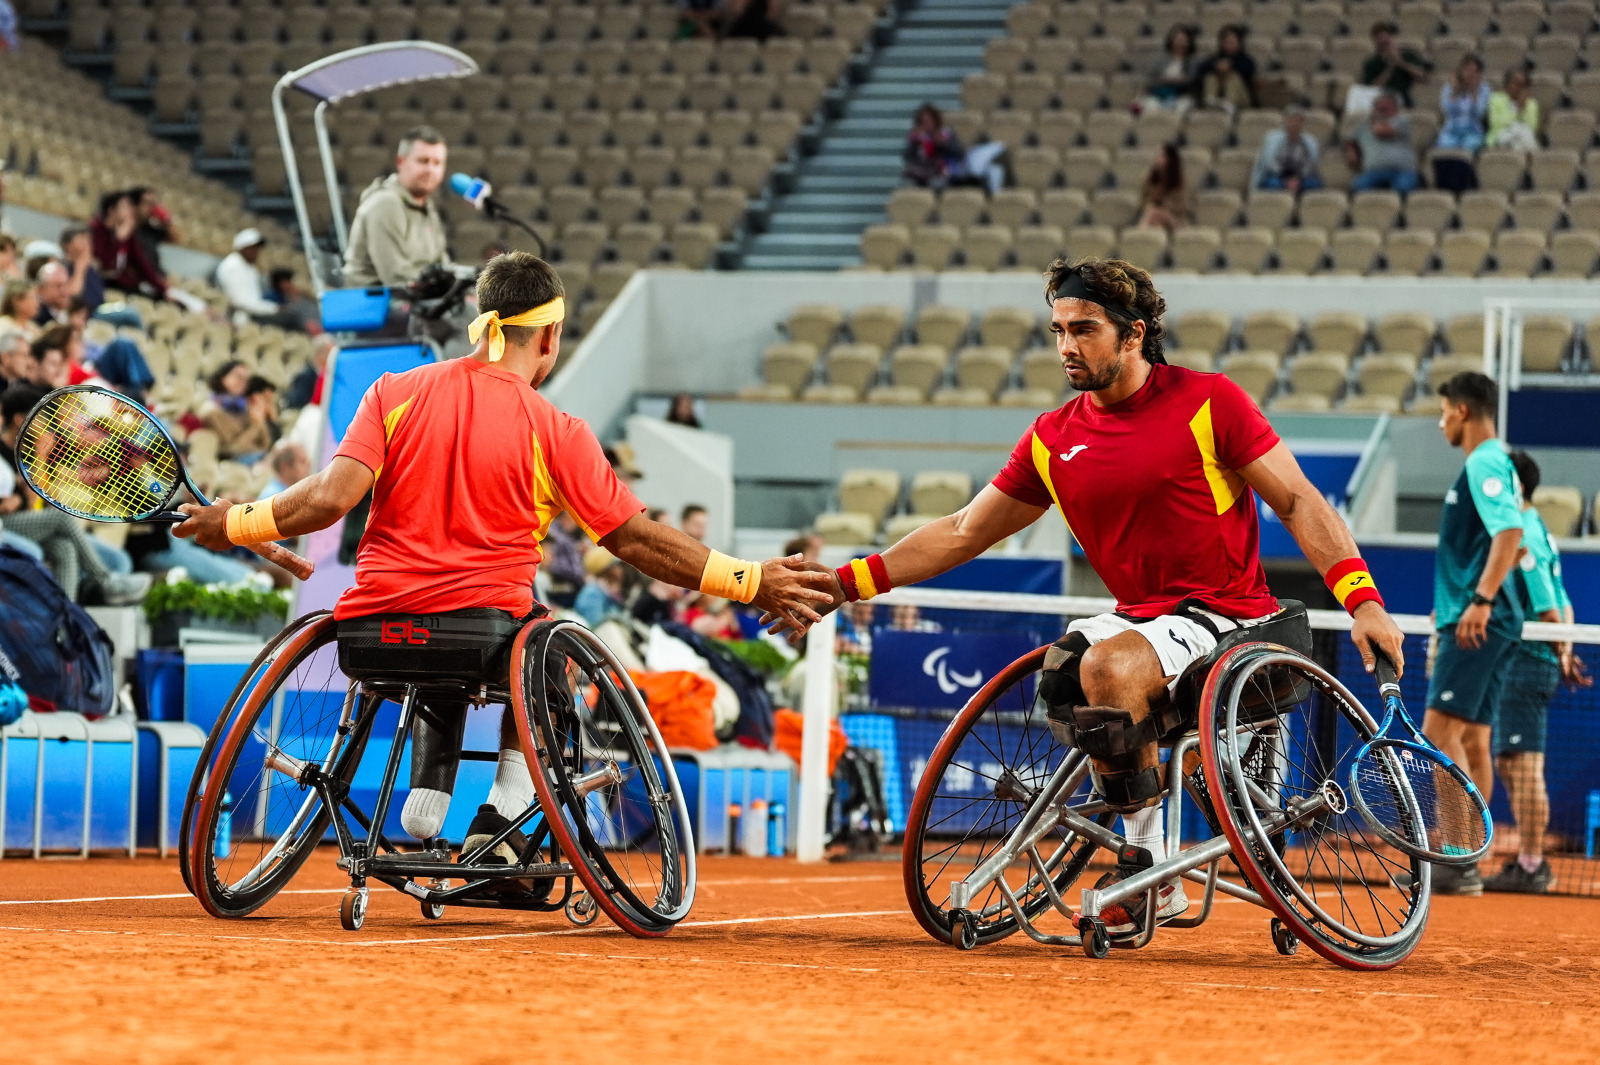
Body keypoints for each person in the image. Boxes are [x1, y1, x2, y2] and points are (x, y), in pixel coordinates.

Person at [769, 257, 1406, 936]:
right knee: (1067, 663)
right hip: (1142, 617)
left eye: (1084, 329)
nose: (1067, 346)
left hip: (1228, 617)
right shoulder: (1053, 437)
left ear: (1133, 335)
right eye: (1057, 330)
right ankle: (1149, 853)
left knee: (1108, 665)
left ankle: (1147, 862)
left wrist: (1363, 598)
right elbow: (962, 530)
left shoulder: (1210, 402)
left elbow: (1300, 499)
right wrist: (846, 582)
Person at [172, 250, 831, 866]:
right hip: (483, 636)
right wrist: (748, 580)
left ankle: (425, 804)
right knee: (543, 646)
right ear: (550, 337)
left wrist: (234, 521)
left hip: (370, 636)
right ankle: (505, 814)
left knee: (437, 646)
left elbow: (326, 498)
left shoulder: (392, 392)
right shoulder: (557, 429)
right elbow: (634, 539)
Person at [1427, 372, 1527, 896]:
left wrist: (1480, 601)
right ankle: (1466, 860)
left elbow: (1512, 533)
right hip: (1485, 617)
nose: (1440, 420)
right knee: (1472, 739)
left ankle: (1456, 858)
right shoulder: (1496, 462)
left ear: (1462, 411)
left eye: (1444, 410)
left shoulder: (1484, 460)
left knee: (1439, 734)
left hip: (1480, 618)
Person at [1485, 451, 1591, 894]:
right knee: (1512, 764)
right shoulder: (1539, 529)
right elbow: (1561, 601)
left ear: (1516, 486)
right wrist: (1563, 652)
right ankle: (1531, 860)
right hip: (1534, 658)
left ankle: (1531, 865)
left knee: (1523, 766)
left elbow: (1548, 606)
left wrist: (1557, 649)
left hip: (1525, 660)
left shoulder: (1523, 530)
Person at [0, 384, 150, 604]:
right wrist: (36, 468)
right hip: (8, 524)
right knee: (62, 519)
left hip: (30, 523)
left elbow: (46, 502)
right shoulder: (5, 454)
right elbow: (33, 508)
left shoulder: (34, 453)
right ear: (19, 419)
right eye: (40, 418)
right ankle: (105, 580)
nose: (46, 427)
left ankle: (65, 625)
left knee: (65, 549)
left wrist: (39, 462)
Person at [343, 126, 451, 287]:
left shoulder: (427, 206)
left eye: (437, 163)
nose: (430, 169)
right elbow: (396, 277)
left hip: (416, 297)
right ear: (401, 162)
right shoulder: (385, 204)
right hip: (377, 303)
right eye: (423, 161)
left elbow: (442, 263)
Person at [90, 190, 168, 300]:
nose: (130, 211)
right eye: (125, 207)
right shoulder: (95, 229)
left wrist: (163, 288)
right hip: (102, 283)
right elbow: (106, 266)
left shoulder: (128, 234)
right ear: (112, 210)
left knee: (161, 298)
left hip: (122, 284)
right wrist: (119, 240)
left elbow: (142, 263)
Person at [1344, 92, 1419, 193]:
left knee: (1403, 188)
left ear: (1395, 108)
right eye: (1379, 106)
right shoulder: (1364, 126)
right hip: (1372, 172)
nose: (1382, 110)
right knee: (1359, 187)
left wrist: (1377, 117)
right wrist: (1352, 151)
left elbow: (1380, 131)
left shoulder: (1402, 122)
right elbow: (1350, 140)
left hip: (1402, 171)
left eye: (1386, 107)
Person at [215, 229, 286, 326]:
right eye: (253, 248)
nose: (257, 252)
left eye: (258, 249)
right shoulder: (233, 265)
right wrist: (273, 308)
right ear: (242, 248)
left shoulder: (249, 267)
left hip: (248, 320)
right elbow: (240, 301)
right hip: (232, 320)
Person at [1359, 20, 1432, 108]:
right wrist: (1390, 67)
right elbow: (1372, 88)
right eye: (1380, 41)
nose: (1384, 44)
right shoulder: (1370, 63)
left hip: (1403, 100)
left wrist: (1400, 62)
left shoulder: (1407, 56)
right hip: (1380, 101)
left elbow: (1422, 76)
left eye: (1386, 41)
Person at [1250, 107, 1322, 193]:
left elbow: (1310, 165)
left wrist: (1297, 179)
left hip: (1300, 178)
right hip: (1278, 176)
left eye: (1298, 121)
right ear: (1286, 122)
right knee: (1273, 184)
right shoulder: (1272, 139)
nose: (1295, 124)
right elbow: (1269, 163)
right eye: (1292, 121)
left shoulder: (1310, 142)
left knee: (1316, 184)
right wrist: (1286, 179)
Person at [1194, 25, 1255, 111]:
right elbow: (1201, 69)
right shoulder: (1215, 59)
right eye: (1227, 41)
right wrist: (1216, 67)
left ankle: (1229, 104)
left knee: (1233, 76)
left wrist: (1230, 66)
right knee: (1211, 77)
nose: (1230, 43)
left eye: (1233, 40)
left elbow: (1248, 71)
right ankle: (1210, 102)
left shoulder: (1246, 60)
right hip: (1218, 98)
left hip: (1240, 99)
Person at [1437, 55, 1490, 152]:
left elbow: (1480, 113)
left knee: (1469, 146)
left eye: (1474, 71)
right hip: (1451, 129)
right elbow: (1446, 110)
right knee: (1445, 145)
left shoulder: (1484, 89)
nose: (1470, 74)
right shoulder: (1448, 88)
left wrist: (1473, 91)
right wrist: (1455, 90)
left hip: (1473, 131)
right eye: (1467, 70)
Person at [1143, 25, 1198, 112]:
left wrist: (1178, 81)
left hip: (1182, 95)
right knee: (1150, 106)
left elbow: (1194, 81)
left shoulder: (1193, 62)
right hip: (1160, 94)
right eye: (1177, 39)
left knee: (1182, 107)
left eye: (1183, 39)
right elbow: (1150, 79)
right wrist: (1164, 80)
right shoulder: (1160, 60)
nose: (1180, 43)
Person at [1487, 68, 1541, 152]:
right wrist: (1517, 108)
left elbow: (1532, 127)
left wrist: (1523, 108)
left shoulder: (1531, 104)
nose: (1519, 87)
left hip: (1523, 139)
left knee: (1523, 136)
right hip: (1500, 136)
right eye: (1516, 83)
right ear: (1507, 83)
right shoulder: (1496, 99)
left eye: (1522, 84)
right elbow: (1496, 123)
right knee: (1522, 135)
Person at [1138, 143, 1188, 231]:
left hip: (1174, 217)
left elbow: (1180, 206)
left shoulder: (1179, 181)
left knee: (1153, 212)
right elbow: (1143, 201)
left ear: (1169, 158)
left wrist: (1162, 202)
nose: (1157, 158)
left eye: (1161, 155)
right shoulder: (1150, 179)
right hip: (1155, 215)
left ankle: (1140, 233)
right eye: (1157, 155)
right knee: (1154, 217)